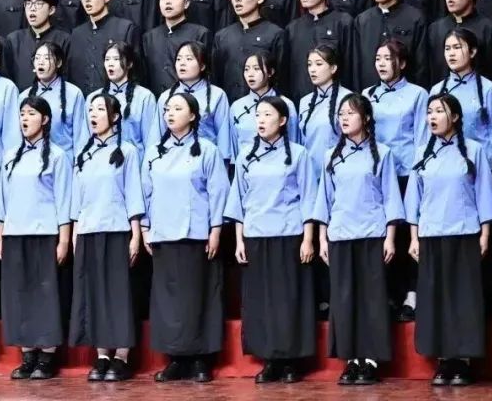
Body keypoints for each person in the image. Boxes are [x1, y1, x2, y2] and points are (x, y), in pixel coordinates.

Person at [313, 94, 404, 385]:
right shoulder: (331, 155)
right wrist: (322, 239)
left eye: (350, 113)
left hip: (371, 233)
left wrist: (390, 238)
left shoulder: (382, 153)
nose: (344, 118)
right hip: (340, 234)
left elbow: (391, 197)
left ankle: (371, 359)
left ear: (365, 118)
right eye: (341, 114)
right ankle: (351, 359)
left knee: (371, 298)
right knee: (344, 299)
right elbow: (324, 200)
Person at [404, 93, 492, 386]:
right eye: (429, 112)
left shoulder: (474, 150)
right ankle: (443, 359)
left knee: (463, 298)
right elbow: (414, 198)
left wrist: (485, 233)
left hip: (464, 232)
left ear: (455, 117)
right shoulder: (422, 153)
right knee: (436, 298)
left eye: (439, 111)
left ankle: (463, 360)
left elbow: (484, 193)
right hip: (431, 234)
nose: (432, 117)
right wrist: (414, 237)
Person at [225, 97, 317, 384]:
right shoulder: (246, 155)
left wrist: (308, 239)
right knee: (261, 301)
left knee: (288, 299)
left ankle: (290, 361)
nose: (261, 120)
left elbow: (309, 198)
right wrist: (239, 241)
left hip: (288, 234)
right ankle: (269, 360)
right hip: (256, 235)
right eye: (258, 115)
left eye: (267, 115)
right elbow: (238, 200)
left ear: (283, 120)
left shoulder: (299, 154)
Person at [142, 93, 229, 383]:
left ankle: (201, 359)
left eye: (178, 109)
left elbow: (218, 191)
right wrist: (145, 228)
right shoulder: (154, 152)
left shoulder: (207, 149)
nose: (170, 113)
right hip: (163, 233)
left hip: (196, 233)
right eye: (167, 109)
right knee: (169, 300)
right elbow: (145, 191)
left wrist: (215, 229)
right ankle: (175, 358)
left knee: (198, 296)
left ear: (192, 116)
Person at [70, 94, 144, 383]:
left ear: (114, 117)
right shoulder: (83, 153)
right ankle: (102, 354)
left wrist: (135, 234)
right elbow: (77, 200)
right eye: (91, 109)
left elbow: (133, 193)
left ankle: (122, 356)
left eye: (100, 109)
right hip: (88, 231)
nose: (94, 114)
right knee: (95, 294)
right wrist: (75, 234)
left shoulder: (127, 151)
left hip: (116, 229)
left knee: (118, 294)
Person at [0, 97, 72, 381]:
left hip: (44, 233)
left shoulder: (57, 156)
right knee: (19, 294)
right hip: (14, 234)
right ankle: (27, 354)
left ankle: (47, 356)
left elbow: (64, 199)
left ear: (45, 119)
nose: (25, 119)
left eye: (31, 114)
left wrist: (63, 239)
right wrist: (0, 234)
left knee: (45, 294)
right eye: (22, 114)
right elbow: (3, 200)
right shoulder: (10, 155)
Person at [364, 40, 428, 321]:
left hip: (406, 173)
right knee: (383, 235)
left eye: (387, 58)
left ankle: (411, 294)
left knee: (408, 235)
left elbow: (422, 138)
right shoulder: (367, 95)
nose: (381, 63)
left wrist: (417, 172)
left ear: (401, 63)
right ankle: (388, 294)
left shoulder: (417, 94)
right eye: (377, 58)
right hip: (378, 174)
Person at [428, 28, 492, 161]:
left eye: (457, 47)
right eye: (447, 48)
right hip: (446, 161)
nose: (451, 53)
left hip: (481, 160)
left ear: (472, 52)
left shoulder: (488, 88)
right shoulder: (437, 90)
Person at [212, 0, 289, 100]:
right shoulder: (222, 36)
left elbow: (281, 79)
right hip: (228, 104)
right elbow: (216, 78)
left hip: (264, 105)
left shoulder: (275, 34)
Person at [352, 0, 428, 88]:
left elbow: (421, 62)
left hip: (405, 90)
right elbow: (356, 63)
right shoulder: (362, 20)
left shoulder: (415, 17)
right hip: (370, 90)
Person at [158, 42, 233, 163]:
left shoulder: (217, 95)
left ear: (202, 66)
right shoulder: (166, 97)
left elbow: (223, 136)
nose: (182, 63)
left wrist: (222, 165)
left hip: (206, 159)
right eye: (179, 59)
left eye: (189, 59)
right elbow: (158, 134)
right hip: (172, 160)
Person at [286, 0, 354, 100]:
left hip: (336, 98)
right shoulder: (292, 28)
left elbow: (351, 65)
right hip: (301, 99)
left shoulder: (343, 22)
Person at [67, 0, 140, 95]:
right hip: (83, 101)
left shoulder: (125, 28)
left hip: (116, 99)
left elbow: (136, 72)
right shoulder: (77, 34)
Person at [142, 0, 211, 97]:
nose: (168, 2)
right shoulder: (149, 37)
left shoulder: (200, 33)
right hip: (156, 100)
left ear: (186, 3)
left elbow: (208, 74)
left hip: (190, 99)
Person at [22, 41, 87, 160]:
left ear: (59, 63)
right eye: (37, 58)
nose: (40, 62)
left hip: (65, 161)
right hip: (33, 161)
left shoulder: (74, 93)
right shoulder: (24, 96)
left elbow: (80, 137)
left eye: (47, 58)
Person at [299, 45, 355, 180]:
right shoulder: (304, 101)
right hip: (310, 174)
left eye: (318, 64)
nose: (312, 69)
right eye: (309, 64)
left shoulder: (348, 98)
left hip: (338, 172)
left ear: (333, 68)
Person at [228, 52, 301, 155]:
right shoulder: (237, 106)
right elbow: (234, 148)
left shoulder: (286, 104)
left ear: (270, 72)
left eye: (256, 69)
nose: (250, 74)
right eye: (246, 69)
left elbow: (294, 143)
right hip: (246, 163)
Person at [4, 0, 71, 91]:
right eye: (28, 4)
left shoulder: (64, 39)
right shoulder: (13, 40)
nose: (32, 8)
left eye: (38, 4)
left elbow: (67, 75)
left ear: (51, 10)